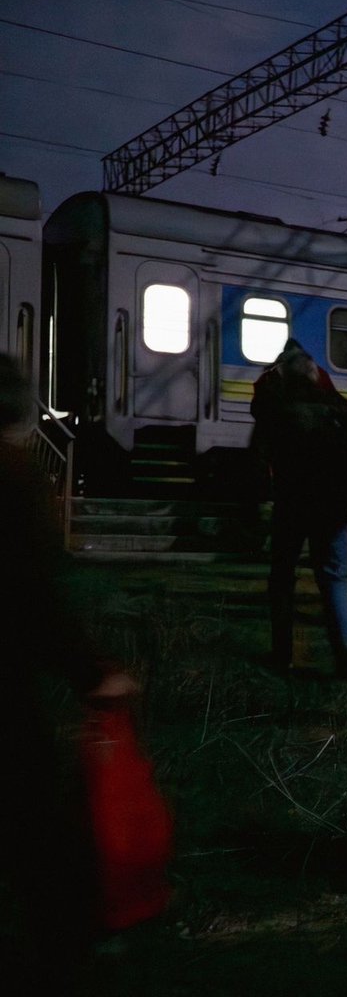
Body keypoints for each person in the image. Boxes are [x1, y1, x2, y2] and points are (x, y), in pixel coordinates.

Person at [2, 355, 144, 991]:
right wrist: (93, 671)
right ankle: (66, 947)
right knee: (36, 816)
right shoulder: (12, 476)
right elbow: (32, 592)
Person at [251, 341, 347, 681]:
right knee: (334, 577)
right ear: (314, 375)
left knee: (282, 578)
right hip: (332, 504)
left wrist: (261, 498)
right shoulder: (335, 404)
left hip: (291, 503)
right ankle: (345, 651)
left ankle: (282, 655)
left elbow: (257, 458)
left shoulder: (276, 407)